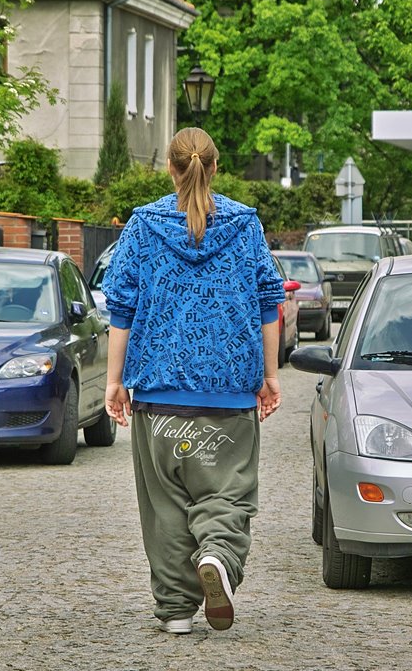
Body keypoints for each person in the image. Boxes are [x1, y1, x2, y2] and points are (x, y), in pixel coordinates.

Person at [101, 127, 285, 635]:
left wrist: (114, 383)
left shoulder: (142, 225)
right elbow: (270, 303)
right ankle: (219, 557)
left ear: (169, 167)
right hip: (229, 394)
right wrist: (269, 376)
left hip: (159, 397)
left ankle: (177, 610)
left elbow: (122, 310)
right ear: (216, 168)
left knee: (165, 507)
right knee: (225, 493)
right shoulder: (245, 226)